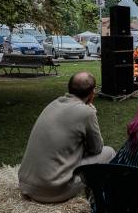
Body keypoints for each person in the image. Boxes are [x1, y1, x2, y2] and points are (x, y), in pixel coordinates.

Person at [18, 72, 115, 203]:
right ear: (92, 93)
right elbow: (96, 149)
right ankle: (101, 202)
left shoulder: (53, 104)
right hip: (51, 190)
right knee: (109, 152)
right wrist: (93, 113)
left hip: (25, 184)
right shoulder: (87, 112)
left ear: (69, 88)